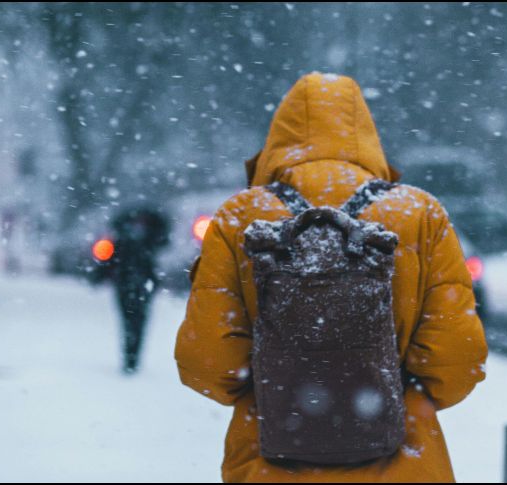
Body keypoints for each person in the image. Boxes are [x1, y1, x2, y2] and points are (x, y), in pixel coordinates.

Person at [175, 73, 488, 482]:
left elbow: (206, 364)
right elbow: (457, 361)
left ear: (278, 138)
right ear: (366, 135)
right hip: (404, 464)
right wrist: (386, 394)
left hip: (269, 463)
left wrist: (280, 388)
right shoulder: (419, 214)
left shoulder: (240, 217)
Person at [95, 206, 170, 374]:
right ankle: (131, 357)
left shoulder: (135, 237)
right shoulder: (142, 238)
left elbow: (109, 258)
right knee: (133, 321)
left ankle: (131, 357)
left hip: (133, 283)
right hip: (133, 283)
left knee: (133, 321)